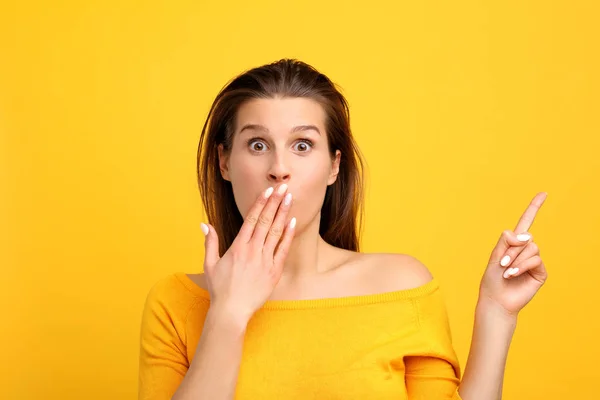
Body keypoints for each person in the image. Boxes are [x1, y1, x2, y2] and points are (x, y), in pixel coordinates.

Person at [138, 58, 548, 400]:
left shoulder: (401, 286)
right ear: (225, 163)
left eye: (302, 145)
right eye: (258, 144)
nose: (279, 168)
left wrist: (497, 312)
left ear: (334, 166)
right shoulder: (176, 303)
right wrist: (227, 313)